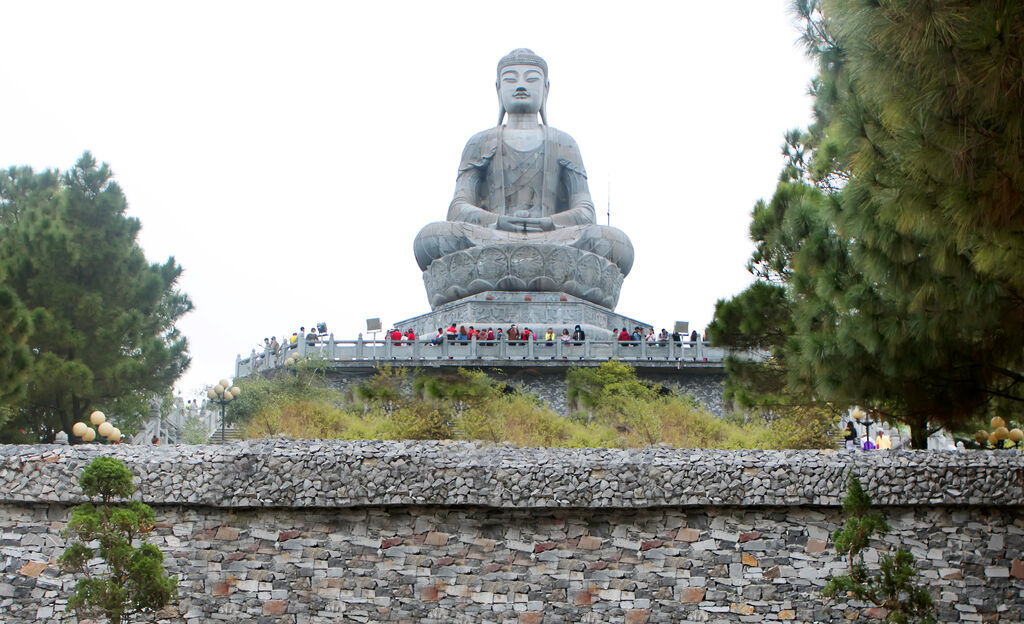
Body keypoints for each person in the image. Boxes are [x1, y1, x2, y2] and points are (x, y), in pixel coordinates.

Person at [412, 49, 634, 310]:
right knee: (429, 238)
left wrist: (549, 222)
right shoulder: (480, 141)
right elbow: (458, 208)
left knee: (615, 243)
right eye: (510, 79)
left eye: (530, 79)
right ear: (498, 89)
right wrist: (497, 221)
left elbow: (585, 211)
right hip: (491, 236)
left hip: (555, 237)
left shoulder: (563, 142)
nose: (520, 85)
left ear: (546, 89)